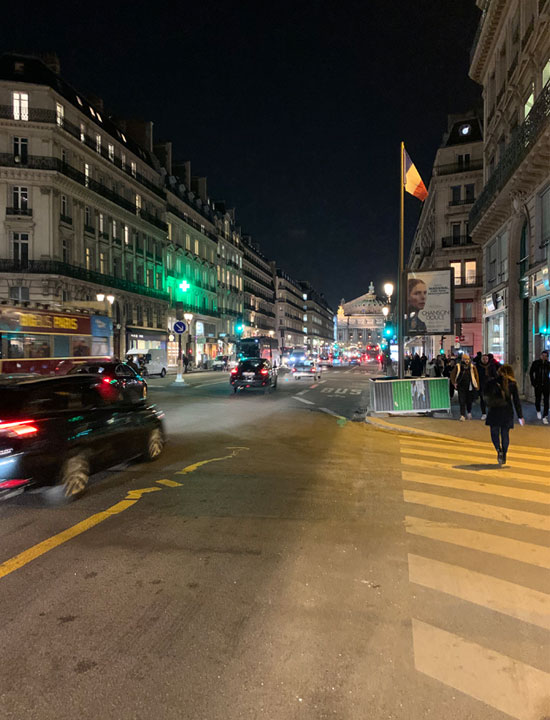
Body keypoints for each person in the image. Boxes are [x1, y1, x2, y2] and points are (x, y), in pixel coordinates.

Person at [484, 364, 524, 466]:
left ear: (499, 371)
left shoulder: (492, 382)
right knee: (505, 434)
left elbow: (485, 395)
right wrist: (520, 416)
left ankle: (498, 450)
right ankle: (504, 454)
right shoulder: (512, 384)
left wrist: (485, 409)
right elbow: (516, 401)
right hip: (507, 411)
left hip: (494, 410)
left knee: (494, 433)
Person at [451, 353, 479, 420]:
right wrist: (454, 383)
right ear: (462, 359)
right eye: (465, 359)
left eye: (468, 359)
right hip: (461, 386)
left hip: (470, 386)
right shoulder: (458, 366)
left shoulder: (472, 367)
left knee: (469, 400)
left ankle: (469, 412)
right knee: (462, 400)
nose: (467, 360)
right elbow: (453, 375)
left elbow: (476, 376)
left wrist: (477, 385)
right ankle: (462, 415)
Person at [529, 350, 550, 424]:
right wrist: (533, 382)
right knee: (537, 399)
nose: (544, 357)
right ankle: (538, 411)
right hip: (538, 384)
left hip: (546, 385)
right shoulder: (536, 363)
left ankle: (545, 416)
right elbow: (531, 373)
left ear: (547, 357)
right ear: (540, 355)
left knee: (546, 401)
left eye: (545, 356)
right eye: (543, 355)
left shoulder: (548, 364)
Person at [476, 354, 492, 420]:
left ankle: (491, 413)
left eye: (486, 359)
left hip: (490, 385)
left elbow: (495, 374)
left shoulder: (491, 366)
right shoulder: (478, 366)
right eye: (483, 359)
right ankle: (484, 413)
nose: (485, 360)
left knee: (490, 400)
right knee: (482, 399)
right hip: (481, 385)